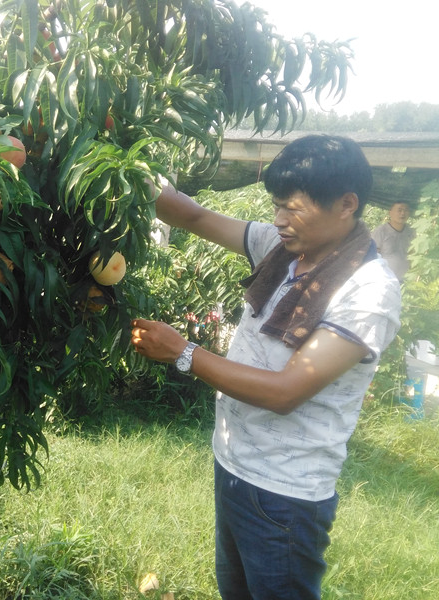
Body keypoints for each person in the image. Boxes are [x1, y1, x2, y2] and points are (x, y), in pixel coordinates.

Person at [130, 134, 401, 600]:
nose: (278, 221)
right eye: (275, 207)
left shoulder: (368, 291)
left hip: (285, 493)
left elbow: (285, 391)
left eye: (291, 209)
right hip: (233, 464)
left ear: (346, 204)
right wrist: (118, 165)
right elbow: (190, 214)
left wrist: (184, 352)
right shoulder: (280, 248)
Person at [370, 201, 415, 281]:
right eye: (399, 210)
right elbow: (372, 256)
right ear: (390, 213)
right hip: (384, 280)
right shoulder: (381, 231)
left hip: (405, 281)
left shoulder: (411, 232)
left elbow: (413, 255)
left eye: (406, 210)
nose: (403, 213)